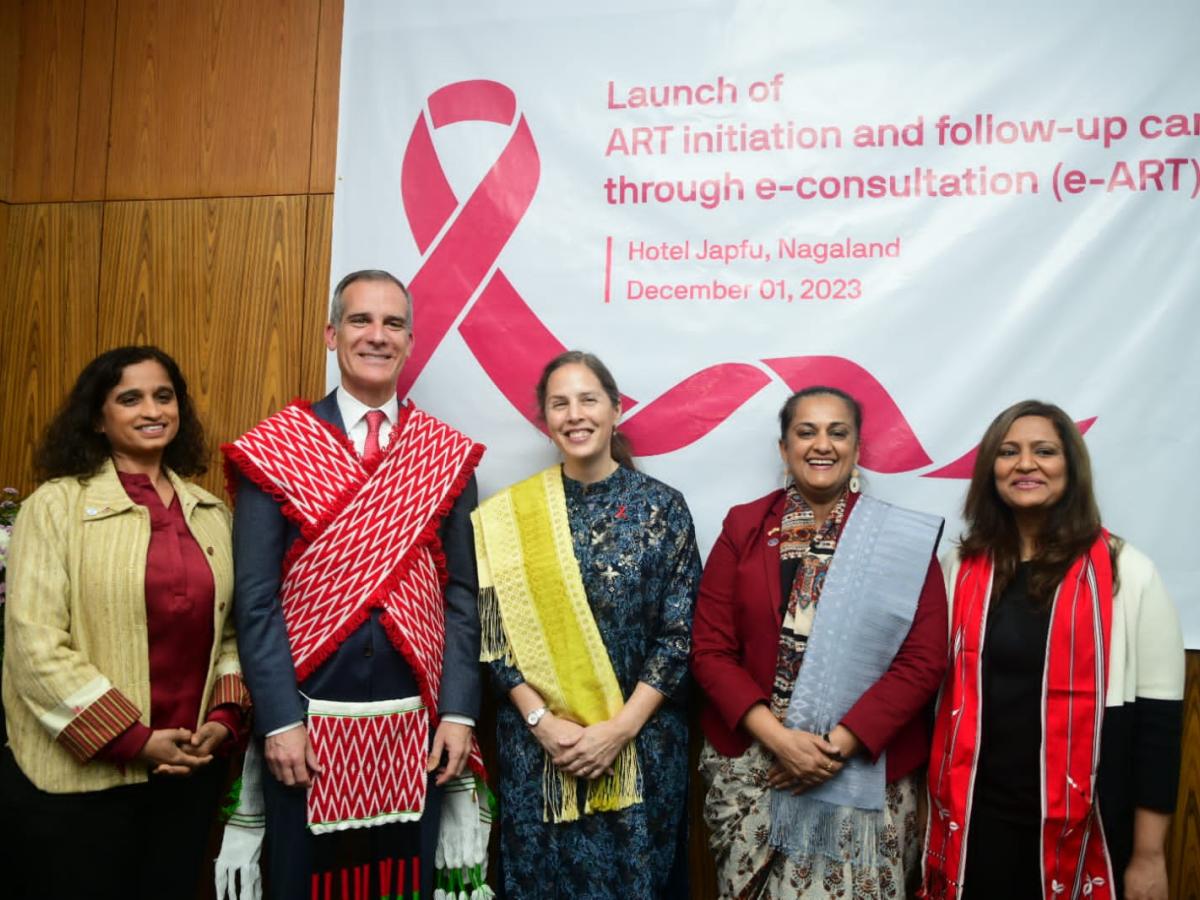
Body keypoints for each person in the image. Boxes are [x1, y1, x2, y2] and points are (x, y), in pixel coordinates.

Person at [222, 269, 487, 900]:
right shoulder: (279, 446)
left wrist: (456, 712)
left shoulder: (443, 453)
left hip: (414, 727)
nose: (377, 336)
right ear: (331, 334)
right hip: (307, 723)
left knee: (401, 885)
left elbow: (462, 598)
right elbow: (255, 601)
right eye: (361, 321)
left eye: (393, 323)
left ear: (411, 341)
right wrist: (280, 720)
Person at [0, 346, 246, 900]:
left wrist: (225, 718)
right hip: (79, 788)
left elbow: (230, 634)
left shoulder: (211, 512)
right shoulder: (56, 507)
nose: (151, 410)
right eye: (129, 398)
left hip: (186, 779)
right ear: (97, 417)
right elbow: (35, 645)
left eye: (164, 396)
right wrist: (136, 740)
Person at [921, 400, 1185, 900]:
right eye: (1008, 452)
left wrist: (1150, 858)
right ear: (989, 470)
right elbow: (929, 704)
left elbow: (1158, 730)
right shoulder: (958, 567)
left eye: (1044, 451)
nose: (1025, 464)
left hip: (1087, 829)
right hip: (974, 823)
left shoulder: (1126, 573)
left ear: (1071, 467)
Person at [692, 385, 948, 899]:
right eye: (805, 432)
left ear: (857, 447)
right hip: (758, 766)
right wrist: (782, 741)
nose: (821, 444)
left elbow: (923, 660)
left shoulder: (899, 540)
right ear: (784, 449)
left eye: (838, 432)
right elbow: (710, 649)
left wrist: (834, 750)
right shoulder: (744, 526)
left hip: (864, 770)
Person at [471, 350, 701, 899]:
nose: (575, 414)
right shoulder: (510, 516)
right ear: (545, 420)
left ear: (616, 410)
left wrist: (617, 732)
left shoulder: (663, 509)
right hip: (540, 754)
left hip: (641, 749)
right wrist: (542, 724)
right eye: (560, 403)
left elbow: (679, 637)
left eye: (588, 399)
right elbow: (493, 637)